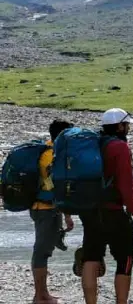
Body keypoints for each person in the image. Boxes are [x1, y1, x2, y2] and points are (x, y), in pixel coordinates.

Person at [81, 109, 133, 304]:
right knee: (125, 259)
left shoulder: (93, 143)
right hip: (114, 212)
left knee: (91, 258)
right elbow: (127, 187)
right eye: (127, 125)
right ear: (120, 126)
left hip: (90, 212)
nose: (128, 129)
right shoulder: (120, 148)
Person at [30, 119, 76, 304]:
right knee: (42, 251)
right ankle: (40, 296)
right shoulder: (52, 156)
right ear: (63, 135)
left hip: (41, 207)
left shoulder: (47, 149)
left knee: (44, 249)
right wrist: (67, 214)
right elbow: (55, 187)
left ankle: (42, 293)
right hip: (46, 209)